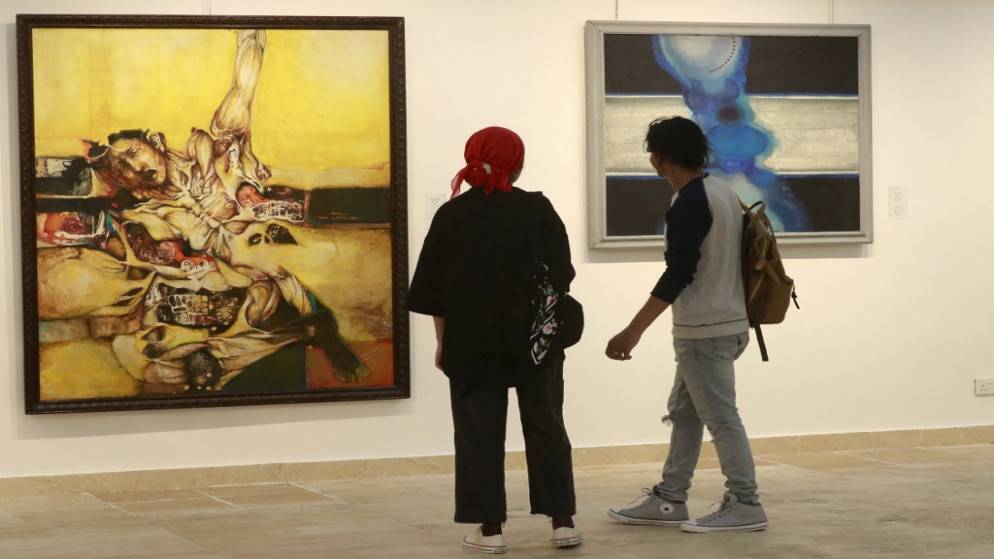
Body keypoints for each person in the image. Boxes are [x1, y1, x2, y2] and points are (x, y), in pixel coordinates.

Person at [408, 126, 582, 553]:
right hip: (535, 341)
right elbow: (563, 275)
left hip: (471, 341)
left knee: (478, 434)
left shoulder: (452, 215)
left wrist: (442, 341)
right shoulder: (537, 209)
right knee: (546, 426)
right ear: (517, 165)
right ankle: (562, 522)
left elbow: (434, 291)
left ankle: (490, 529)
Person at [605, 116, 768, 533]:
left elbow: (679, 273)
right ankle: (670, 498)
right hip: (725, 323)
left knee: (721, 419)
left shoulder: (690, 202)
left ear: (659, 158)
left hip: (705, 331)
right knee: (684, 413)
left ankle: (746, 503)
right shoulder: (721, 191)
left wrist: (632, 330)